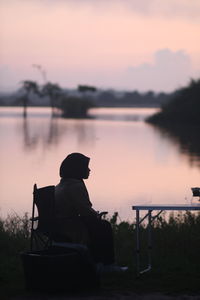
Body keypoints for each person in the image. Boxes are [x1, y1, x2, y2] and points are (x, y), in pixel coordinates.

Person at [54, 152, 116, 266]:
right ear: (77, 169)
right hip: (69, 228)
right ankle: (105, 264)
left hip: (58, 227)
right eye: (86, 167)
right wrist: (96, 215)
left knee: (97, 224)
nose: (89, 170)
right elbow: (85, 210)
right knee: (104, 226)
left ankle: (97, 262)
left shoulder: (60, 185)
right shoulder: (75, 186)